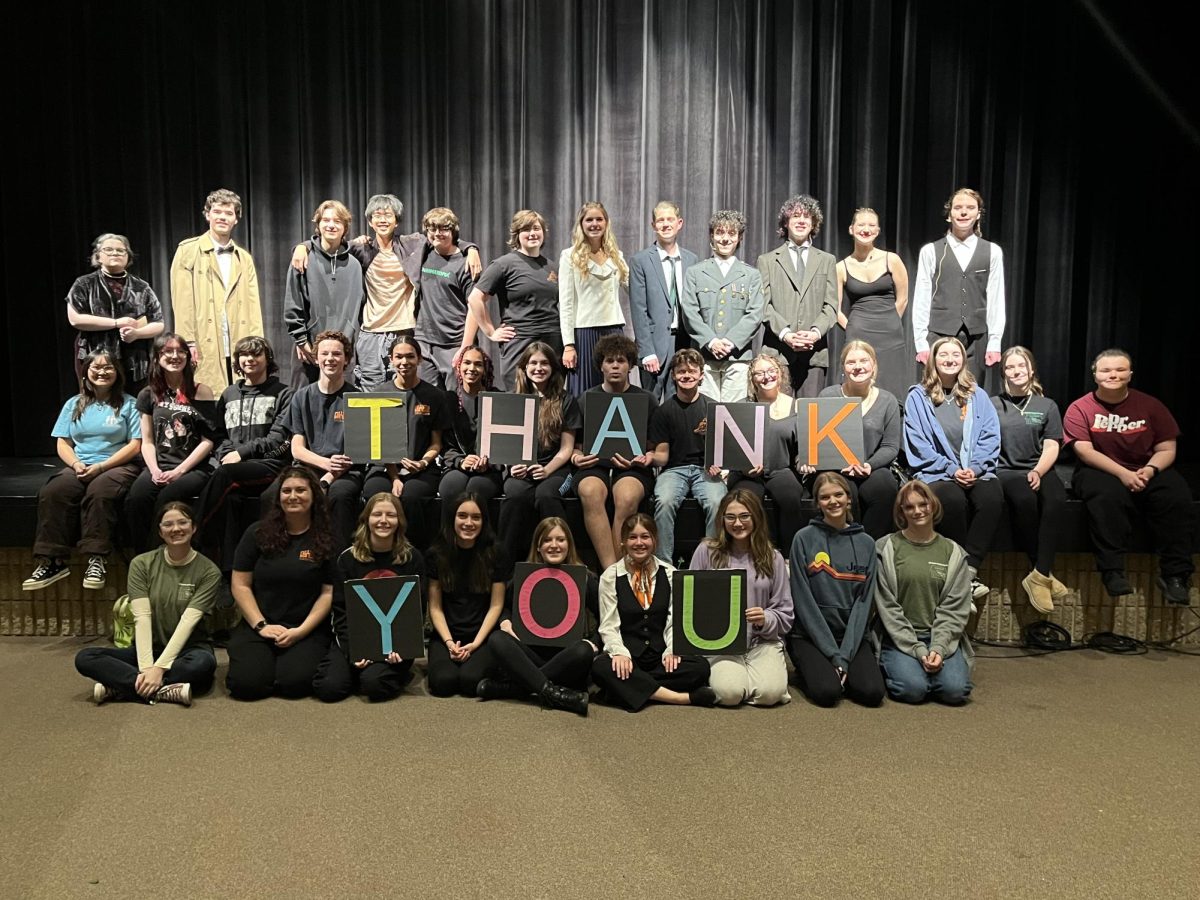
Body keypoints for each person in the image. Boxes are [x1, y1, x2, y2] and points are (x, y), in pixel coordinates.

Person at [290, 197, 482, 389]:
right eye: (377, 215)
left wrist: (470, 248)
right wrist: (303, 246)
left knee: (404, 392)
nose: (382, 220)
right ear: (370, 222)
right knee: (370, 393)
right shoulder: (360, 249)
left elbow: (440, 237)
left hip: (404, 331)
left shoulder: (413, 245)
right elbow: (329, 243)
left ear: (396, 221)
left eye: (388, 215)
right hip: (371, 334)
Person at [1062, 349, 1195, 605]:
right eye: (1106, 370)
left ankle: (1176, 575)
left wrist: (1150, 470)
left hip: (1146, 467)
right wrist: (1123, 474)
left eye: (1120, 369)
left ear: (1130, 374)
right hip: (1100, 469)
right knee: (1105, 496)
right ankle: (1112, 571)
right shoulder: (1080, 408)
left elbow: (1167, 449)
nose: (1113, 374)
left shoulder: (1151, 405)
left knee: (1176, 495)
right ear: (1095, 375)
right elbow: (1085, 452)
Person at [74, 502, 220, 706]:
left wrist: (159, 669)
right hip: (146, 649)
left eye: (182, 523)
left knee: (202, 665)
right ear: (160, 531)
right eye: (168, 524)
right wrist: (146, 669)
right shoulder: (141, 564)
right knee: (86, 657)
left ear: (193, 527)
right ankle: (160, 689)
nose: (176, 529)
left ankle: (119, 687)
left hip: (188, 650)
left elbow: (189, 621)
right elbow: (142, 617)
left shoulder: (209, 571)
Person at [24, 350, 142, 591]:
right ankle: (52, 561)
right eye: (95, 368)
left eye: (108, 367)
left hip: (117, 465)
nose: (102, 372)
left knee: (100, 493)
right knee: (54, 491)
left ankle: (96, 559)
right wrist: (77, 464)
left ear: (117, 372)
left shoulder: (130, 403)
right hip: (81, 464)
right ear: (86, 372)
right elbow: (63, 442)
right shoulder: (73, 404)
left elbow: (135, 444)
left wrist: (101, 466)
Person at [903, 336, 1001, 601]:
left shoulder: (977, 395)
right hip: (937, 473)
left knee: (991, 498)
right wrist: (950, 469)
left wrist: (977, 468)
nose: (949, 359)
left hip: (975, 470)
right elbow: (918, 444)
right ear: (933, 360)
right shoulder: (918, 397)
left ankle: (968, 571)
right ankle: (960, 578)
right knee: (953, 501)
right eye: (943, 354)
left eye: (955, 354)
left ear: (963, 360)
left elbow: (991, 436)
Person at [226, 466, 337, 700]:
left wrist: (300, 631)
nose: (293, 496)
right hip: (259, 624)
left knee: (295, 684)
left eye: (300, 490)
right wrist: (261, 626)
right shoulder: (256, 533)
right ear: (278, 498)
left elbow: (328, 593)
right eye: (286, 491)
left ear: (314, 495)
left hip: (305, 628)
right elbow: (240, 584)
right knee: (247, 686)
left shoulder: (327, 537)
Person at [591, 514, 715, 711]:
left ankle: (625, 690)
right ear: (623, 542)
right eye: (633, 537)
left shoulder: (670, 572)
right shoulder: (611, 576)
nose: (639, 543)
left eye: (645, 536)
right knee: (600, 667)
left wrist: (672, 649)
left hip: (659, 657)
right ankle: (680, 698)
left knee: (700, 668)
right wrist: (620, 654)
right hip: (629, 656)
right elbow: (608, 625)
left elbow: (674, 620)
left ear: (655, 540)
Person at [476, 517, 596, 715]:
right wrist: (505, 621)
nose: (554, 545)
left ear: (569, 545)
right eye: (547, 540)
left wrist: (595, 643)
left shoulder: (586, 578)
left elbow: (605, 620)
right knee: (497, 639)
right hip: (529, 652)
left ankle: (516, 688)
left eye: (560, 539)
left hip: (565, 657)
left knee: (583, 650)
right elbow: (504, 607)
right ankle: (554, 693)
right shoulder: (524, 575)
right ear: (538, 547)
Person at [313, 493, 426, 702]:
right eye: (377, 514)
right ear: (366, 519)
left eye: (391, 515)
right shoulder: (347, 559)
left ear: (399, 521)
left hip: (395, 647)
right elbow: (339, 612)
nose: (384, 520)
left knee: (374, 686)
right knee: (329, 688)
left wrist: (401, 647)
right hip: (354, 640)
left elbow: (415, 612)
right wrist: (353, 652)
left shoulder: (413, 558)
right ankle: (359, 671)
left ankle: (382, 673)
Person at [195, 336, 293, 577]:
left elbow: (279, 439)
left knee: (224, 474)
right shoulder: (229, 394)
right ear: (237, 361)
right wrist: (228, 453)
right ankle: (229, 575)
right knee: (231, 501)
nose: (250, 359)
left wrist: (241, 453)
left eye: (256, 354)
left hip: (270, 465)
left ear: (267, 359)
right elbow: (218, 435)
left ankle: (193, 534)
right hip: (235, 467)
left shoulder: (284, 393)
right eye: (244, 355)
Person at [787, 473, 885, 707]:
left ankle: (841, 670)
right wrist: (832, 653)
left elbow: (863, 603)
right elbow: (803, 602)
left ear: (849, 499)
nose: (833, 501)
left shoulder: (867, 543)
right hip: (810, 636)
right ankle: (818, 670)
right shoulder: (803, 539)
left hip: (850, 636)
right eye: (825, 497)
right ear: (817, 503)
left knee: (871, 693)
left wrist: (845, 654)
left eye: (838, 494)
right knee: (827, 693)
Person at [688, 490, 793, 707]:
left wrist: (766, 618)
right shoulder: (706, 551)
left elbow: (785, 610)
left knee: (769, 694)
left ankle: (754, 678)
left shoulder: (773, 557)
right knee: (729, 693)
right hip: (720, 645)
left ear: (756, 517)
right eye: (730, 517)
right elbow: (690, 601)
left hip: (762, 641)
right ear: (722, 520)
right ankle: (740, 679)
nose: (738, 523)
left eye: (745, 516)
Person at [875, 480, 974, 705]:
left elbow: (954, 609)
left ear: (933, 505)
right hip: (899, 637)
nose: (917, 511)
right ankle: (908, 670)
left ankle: (931, 668)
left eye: (923, 504)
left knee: (955, 692)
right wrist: (918, 650)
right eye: (909, 507)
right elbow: (887, 608)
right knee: (912, 690)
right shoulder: (885, 548)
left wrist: (938, 647)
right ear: (901, 511)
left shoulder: (954, 553)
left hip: (940, 636)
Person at [992, 346, 1071, 612]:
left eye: (1021, 366)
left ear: (1031, 370)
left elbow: (1051, 445)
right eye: (1010, 367)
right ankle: (1043, 573)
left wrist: (1037, 471)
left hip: (1040, 467)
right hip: (1006, 471)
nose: (1016, 371)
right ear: (1003, 371)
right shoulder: (993, 404)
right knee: (1025, 498)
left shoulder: (1047, 405)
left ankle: (1038, 574)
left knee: (1056, 499)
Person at [124, 333, 216, 553]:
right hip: (160, 465)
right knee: (136, 499)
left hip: (193, 468)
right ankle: (142, 559)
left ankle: (161, 560)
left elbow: (208, 440)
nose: (175, 356)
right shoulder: (148, 394)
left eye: (180, 351)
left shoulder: (201, 391)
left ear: (187, 356)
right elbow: (146, 441)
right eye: (168, 351)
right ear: (157, 357)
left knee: (166, 499)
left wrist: (180, 470)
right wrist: (154, 469)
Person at [572, 334, 658, 569]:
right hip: (594, 465)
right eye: (609, 361)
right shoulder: (586, 399)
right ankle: (610, 572)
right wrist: (577, 457)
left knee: (627, 496)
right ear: (601, 365)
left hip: (633, 467)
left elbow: (654, 447)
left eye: (621, 360)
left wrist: (646, 458)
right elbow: (576, 447)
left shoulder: (647, 399)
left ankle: (620, 568)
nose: (615, 366)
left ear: (631, 365)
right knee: (590, 491)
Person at [170, 188, 263, 391]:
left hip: (237, 336)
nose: (222, 217)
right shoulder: (188, 250)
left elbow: (253, 303)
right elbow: (182, 302)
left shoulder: (243, 257)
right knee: (206, 395)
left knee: (240, 394)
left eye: (228, 213)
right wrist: (188, 342)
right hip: (205, 339)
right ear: (207, 214)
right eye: (217, 211)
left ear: (236, 219)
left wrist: (257, 343)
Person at [361, 336, 451, 546]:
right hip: (384, 467)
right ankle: (377, 552)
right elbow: (377, 442)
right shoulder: (379, 394)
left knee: (412, 497)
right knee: (375, 493)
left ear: (419, 359)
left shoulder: (434, 395)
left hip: (421, 468)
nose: (404, 362)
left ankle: (414, 553)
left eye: (410, 356)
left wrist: (422, 463)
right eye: (398, 357)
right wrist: (394, 477)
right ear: (391, 360)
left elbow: (436, 443)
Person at [496, 342, 581, 564]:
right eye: (533, 363)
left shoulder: (566, 401)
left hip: (557, 471)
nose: (538, 367)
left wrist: (546, 470)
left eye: (544, 363)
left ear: (553, 367)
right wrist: (512, 465)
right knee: (515, 494)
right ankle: (506, 565)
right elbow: (505, 445)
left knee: (546, 495)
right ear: (524, 367)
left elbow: (567, 449)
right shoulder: (512, 400)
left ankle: (565, 562)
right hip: (522, 471)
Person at [912, 188, 1005, 382]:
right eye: (958, 208)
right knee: (935, 392)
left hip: (976, 337)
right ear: (949, 214)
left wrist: (994, 341)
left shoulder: (992, 252)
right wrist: (921, 342)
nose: (963, 213)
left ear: (978, 213)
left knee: (971, 394)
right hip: (939, 333)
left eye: (970, 208)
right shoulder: (931, 251)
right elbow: (921, 298)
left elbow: (996, 299)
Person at [466, 210, 563, 389]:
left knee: (551, 400)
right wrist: (490, 332)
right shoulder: (504, 264)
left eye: (536, 228)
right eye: (526, 229)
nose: (532, 233)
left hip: (553, 342)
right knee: (519, 399)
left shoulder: (553, 266)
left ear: (543, 232)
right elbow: (475, 298)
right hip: (520, 342)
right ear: (517, 235)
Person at [282, 330, 362, 548]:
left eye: (337, 354)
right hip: (308, 468)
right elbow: (297, 449)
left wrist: (328, 477)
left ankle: (338, 563)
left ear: (346, 359)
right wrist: (325, 464)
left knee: (340, 496)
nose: (330, 359)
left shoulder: (357, 399)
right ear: (316, 358)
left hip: (345, 473)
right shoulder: (301, 397)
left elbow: (355, 454)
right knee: (271, 495)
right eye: (324, 353)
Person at [426, 494, 510, 697]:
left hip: (481, 635)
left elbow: (496, 606)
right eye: (462, 516)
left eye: (476, 517)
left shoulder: (495, 552)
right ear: (452, 519)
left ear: (484, 521)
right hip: (446, 634)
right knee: (443, 683)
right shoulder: (436, 553)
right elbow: (435, 608)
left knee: (470, 682)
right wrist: (448, 642)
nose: (469, 523)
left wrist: (475, 644)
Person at [815, 340, 901, 538]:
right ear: (843, 368)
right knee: (844, 490)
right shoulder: (827, 396)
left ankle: (869, 547)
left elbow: (890, 446)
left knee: (885, 488)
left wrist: (868, 465)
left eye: (864, 360)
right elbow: (815, 439)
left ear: (874, 365)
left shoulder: (888, 400)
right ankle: (845, 547)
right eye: (851, 362)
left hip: (871, 467)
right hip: (834, 468)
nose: (858, 367)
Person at [650, 348, 726, 566]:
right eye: (681, 371)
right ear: (673, 375)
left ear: (701, 375)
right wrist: (648, 458)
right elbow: (662, 456)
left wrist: (719, 466)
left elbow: (722, 448)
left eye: (692, 371)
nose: (686, 375)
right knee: (664, 501)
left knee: (716, 502)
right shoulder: (664, 411)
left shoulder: (713, 407)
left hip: (705, 469)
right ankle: (663, 565)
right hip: (674, 470)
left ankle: (711, 564)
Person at [681, 209, 765, 402]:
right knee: (705, 416)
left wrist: (730, 342)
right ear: (712, 236)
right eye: (720, 233)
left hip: (737, 357)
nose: (725, 239)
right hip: (703, 357)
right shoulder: (695, 272)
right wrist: (711, 341)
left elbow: (755, 313)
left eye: (731, 233)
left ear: (739, 238)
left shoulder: (751, 275)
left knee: (733, 416)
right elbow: (690, 311)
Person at [759, 194, 839, 396]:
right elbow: (762, 305)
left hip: (814, 354)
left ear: (814, 224)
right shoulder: (767, 261)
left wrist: (814, 332)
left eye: (807, 216)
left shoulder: (827, 260)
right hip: (778, 353)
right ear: (786, 222)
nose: (801, 220)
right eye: (795, 216)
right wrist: (786, 334)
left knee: (809, 420)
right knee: (779, 418)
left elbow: (831, 306)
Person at [66, 233, 164, 393]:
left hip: (134, 357)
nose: (115, 253)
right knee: (96, 400)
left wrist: (137, 333)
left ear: (128, 256)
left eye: (120, 250)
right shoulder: (84, 283)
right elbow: (75, 319)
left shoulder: (142, 287)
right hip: (95, 353)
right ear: (98, 256)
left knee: (135, 402)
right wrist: (116, 323)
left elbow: (158, 323)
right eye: (108, 249)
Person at [727, 352, 807, 550]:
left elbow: (801, 448)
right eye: (759, 373)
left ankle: (789, 556)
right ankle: (748, 554)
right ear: (752, 379)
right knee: (743, 503)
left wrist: (804, 462)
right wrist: (743, 467)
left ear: (780, 374)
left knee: (790, 498)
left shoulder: (797, 406)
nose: (766, 377)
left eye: (771, 371)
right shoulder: (741, 407)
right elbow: (730, 448)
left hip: (782, 470)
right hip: (746, 474)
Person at [283, 200, 365, 384]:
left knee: (342, 409)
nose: (331, 225)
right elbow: (293, 302)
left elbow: (358, 309)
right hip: (308, 350)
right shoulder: (303, 258)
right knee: (305, 406)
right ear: (318, 225)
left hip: (342, 353)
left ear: (345, 227)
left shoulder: (354, 265)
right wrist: (301, 340)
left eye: (337, 221)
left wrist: (348, 347)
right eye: (326, 220)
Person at [627, 201, 700, 400]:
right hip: (654, 345)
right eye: (660, 220)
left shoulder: (692, 260)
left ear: (680, 223)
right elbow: (638, 309)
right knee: (649, 406)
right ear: (653, 225)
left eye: (670, 219)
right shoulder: (640, 261)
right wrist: (647, 351)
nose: (665, 224)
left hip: (684, 342)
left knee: (678, 404)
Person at [835, 208, 910, 400]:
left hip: (890, 335)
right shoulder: (841, 267)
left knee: (892, 388)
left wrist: (890, 321)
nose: (866, 229)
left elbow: (902, 299)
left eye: (871, 225)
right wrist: (851, 329)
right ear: (851, 229)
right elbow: (835, 309)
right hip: (858, 334)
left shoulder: (891, 260)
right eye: (861, 225)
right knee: (857, 387)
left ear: (877, 231)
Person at [557, 201, 629, 396]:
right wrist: (569, 345)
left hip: (614, 331)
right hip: (584, 335)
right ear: (581, 224)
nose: (594, 224)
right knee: (585, 393)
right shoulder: (569, 256)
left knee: (616, 391)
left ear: (606, 222)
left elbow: (634, 289)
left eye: (599, 219)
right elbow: (566, 304)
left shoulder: (616, 256)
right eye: (589, 220)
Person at [414, 207, 482, 388]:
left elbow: (475, 308)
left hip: (454, 343)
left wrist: (465, 348)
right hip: (424, 341)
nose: (437, 234)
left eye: (444, 228)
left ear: (453, 231)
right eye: (432, 229)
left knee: (454, 402)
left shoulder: (466, 263)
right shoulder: (423, 253)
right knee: (427, 404)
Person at [439, 346, 504, 506]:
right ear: (459, 366)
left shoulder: (499, 398)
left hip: (490, 469)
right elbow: (445, 446)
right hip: (458, 465)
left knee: (476, 491)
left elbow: (506, 445)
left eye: (478, 364)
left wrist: (488, 463)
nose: (472, 368)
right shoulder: (448, 399)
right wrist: (460, 461)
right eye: (467, 363)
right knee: (451, 489)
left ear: (485, 369)